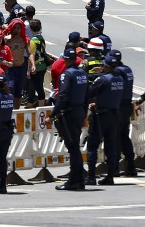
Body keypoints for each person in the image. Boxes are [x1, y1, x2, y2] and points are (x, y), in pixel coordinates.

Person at [52, 47, 88, 191]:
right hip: (79, 112)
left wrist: (53, 113)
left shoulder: (66, 74)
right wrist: (84, 113)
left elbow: (63, 96)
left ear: (65, 60)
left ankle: (74, 181)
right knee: (75, 147)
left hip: (69, 114)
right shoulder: (83, 73)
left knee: (73, 148)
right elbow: (86, 96)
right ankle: (79, 180)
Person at [85, 54, 123, 185]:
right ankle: (110, 176)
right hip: (114, 114)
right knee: (111, 146)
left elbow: (90, 92)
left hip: (101, 116)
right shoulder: (119, 79)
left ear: (106, 66)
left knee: (92, 146)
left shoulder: (102, 80)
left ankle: (91, 176)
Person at [109, 49, 137, 176]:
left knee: (115, 137)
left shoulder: (117, 71)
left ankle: (115, 168)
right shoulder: (127, 69)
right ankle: (131, 166)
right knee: (124, 137)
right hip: (127, 106)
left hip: (119, 106)